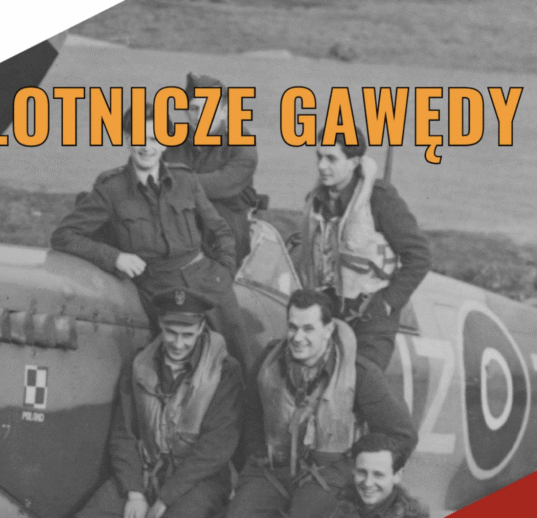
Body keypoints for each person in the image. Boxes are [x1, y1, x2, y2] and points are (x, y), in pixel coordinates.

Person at [51, 103, 256, 372]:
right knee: (180, 365)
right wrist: (116, 257)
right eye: (139, 137)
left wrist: (225, 272)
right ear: (127, 139)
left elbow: (220, 230)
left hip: (208, 279)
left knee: (239, 360)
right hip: (160, 288)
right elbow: (64, 235)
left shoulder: (186, 180)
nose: (147, 146)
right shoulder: (111, 189)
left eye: (153, 138)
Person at [226, 289, 417, 518]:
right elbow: (250, 413)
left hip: (330, 475)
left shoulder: (359, 373)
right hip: (273, 470)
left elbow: (402, 435)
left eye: (308, 329)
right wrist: (257, 453)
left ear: (328, 330)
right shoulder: (268, 363)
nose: (297, 338)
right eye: (293, 327)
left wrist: (363, 472)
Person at [76, 288, 244, 518]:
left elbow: (216, 447)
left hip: (198, 480)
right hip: (145, 474)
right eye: (170, 332)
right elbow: (123, 434)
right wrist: (135, 492)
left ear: (201, 328)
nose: (178, 343)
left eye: (187, 335)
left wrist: (166, 498)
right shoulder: (139, 365)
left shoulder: (224, 371)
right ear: (160, 324)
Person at [295, 126, 431, 370]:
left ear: (354, 162)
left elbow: (419, 256)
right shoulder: (315, 202)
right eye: (319, 157)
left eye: (331, 158)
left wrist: (387, 303)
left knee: (365, 384)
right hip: (328, 316)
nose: (322, 166)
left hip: (371, 321)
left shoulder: (379, 198)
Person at [164, 73, 259, 265]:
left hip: (225, 219)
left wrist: (171, 180)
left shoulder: (242, 145)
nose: (200, 116)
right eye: (194, 108)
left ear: (224, 111)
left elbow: (221, 184)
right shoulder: (172, 142)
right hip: (177, 212)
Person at [328, 434, 429, 518]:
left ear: (397, 475)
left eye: (378, 475)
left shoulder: (412, 515)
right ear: (353, 470)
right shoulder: (338, 504)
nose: (368, 483)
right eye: (362, 472)